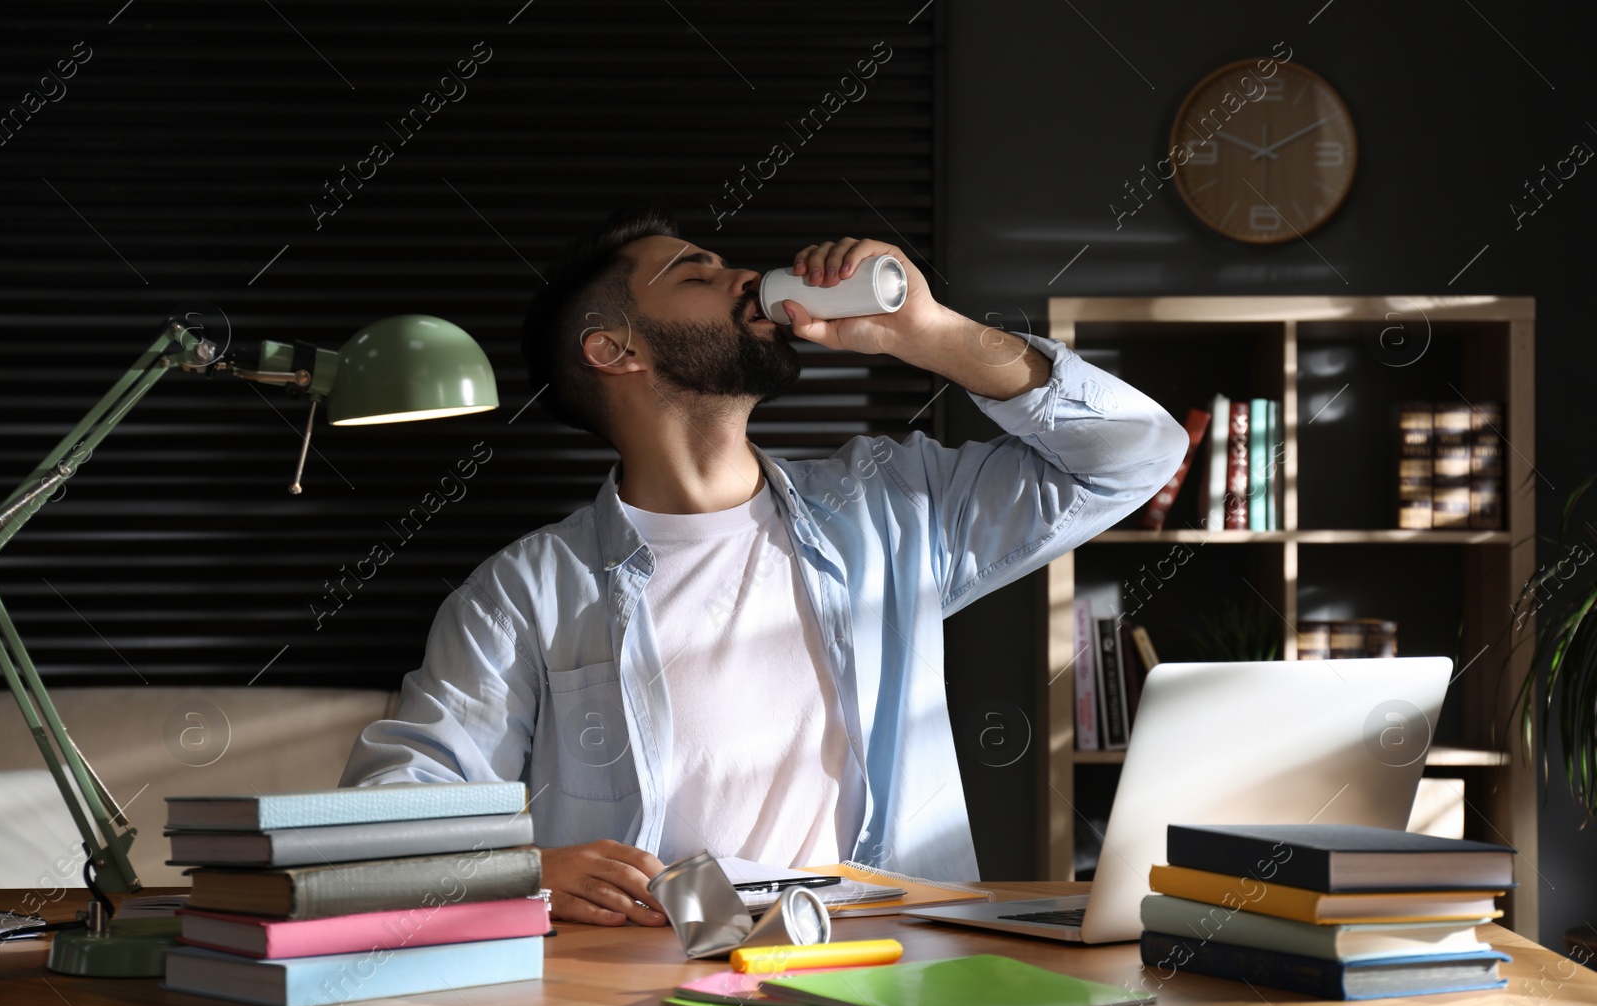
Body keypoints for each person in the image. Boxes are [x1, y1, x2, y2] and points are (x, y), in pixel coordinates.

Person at [341, 202, 1187, 926]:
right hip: (651, 986)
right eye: (694, 272)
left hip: (894, 959)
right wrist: (526, 869)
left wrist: (927, 333)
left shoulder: (890, 510)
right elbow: (391, 806)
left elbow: (1135, 455)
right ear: (614, 350)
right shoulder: (523, 594)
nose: (746, 276)